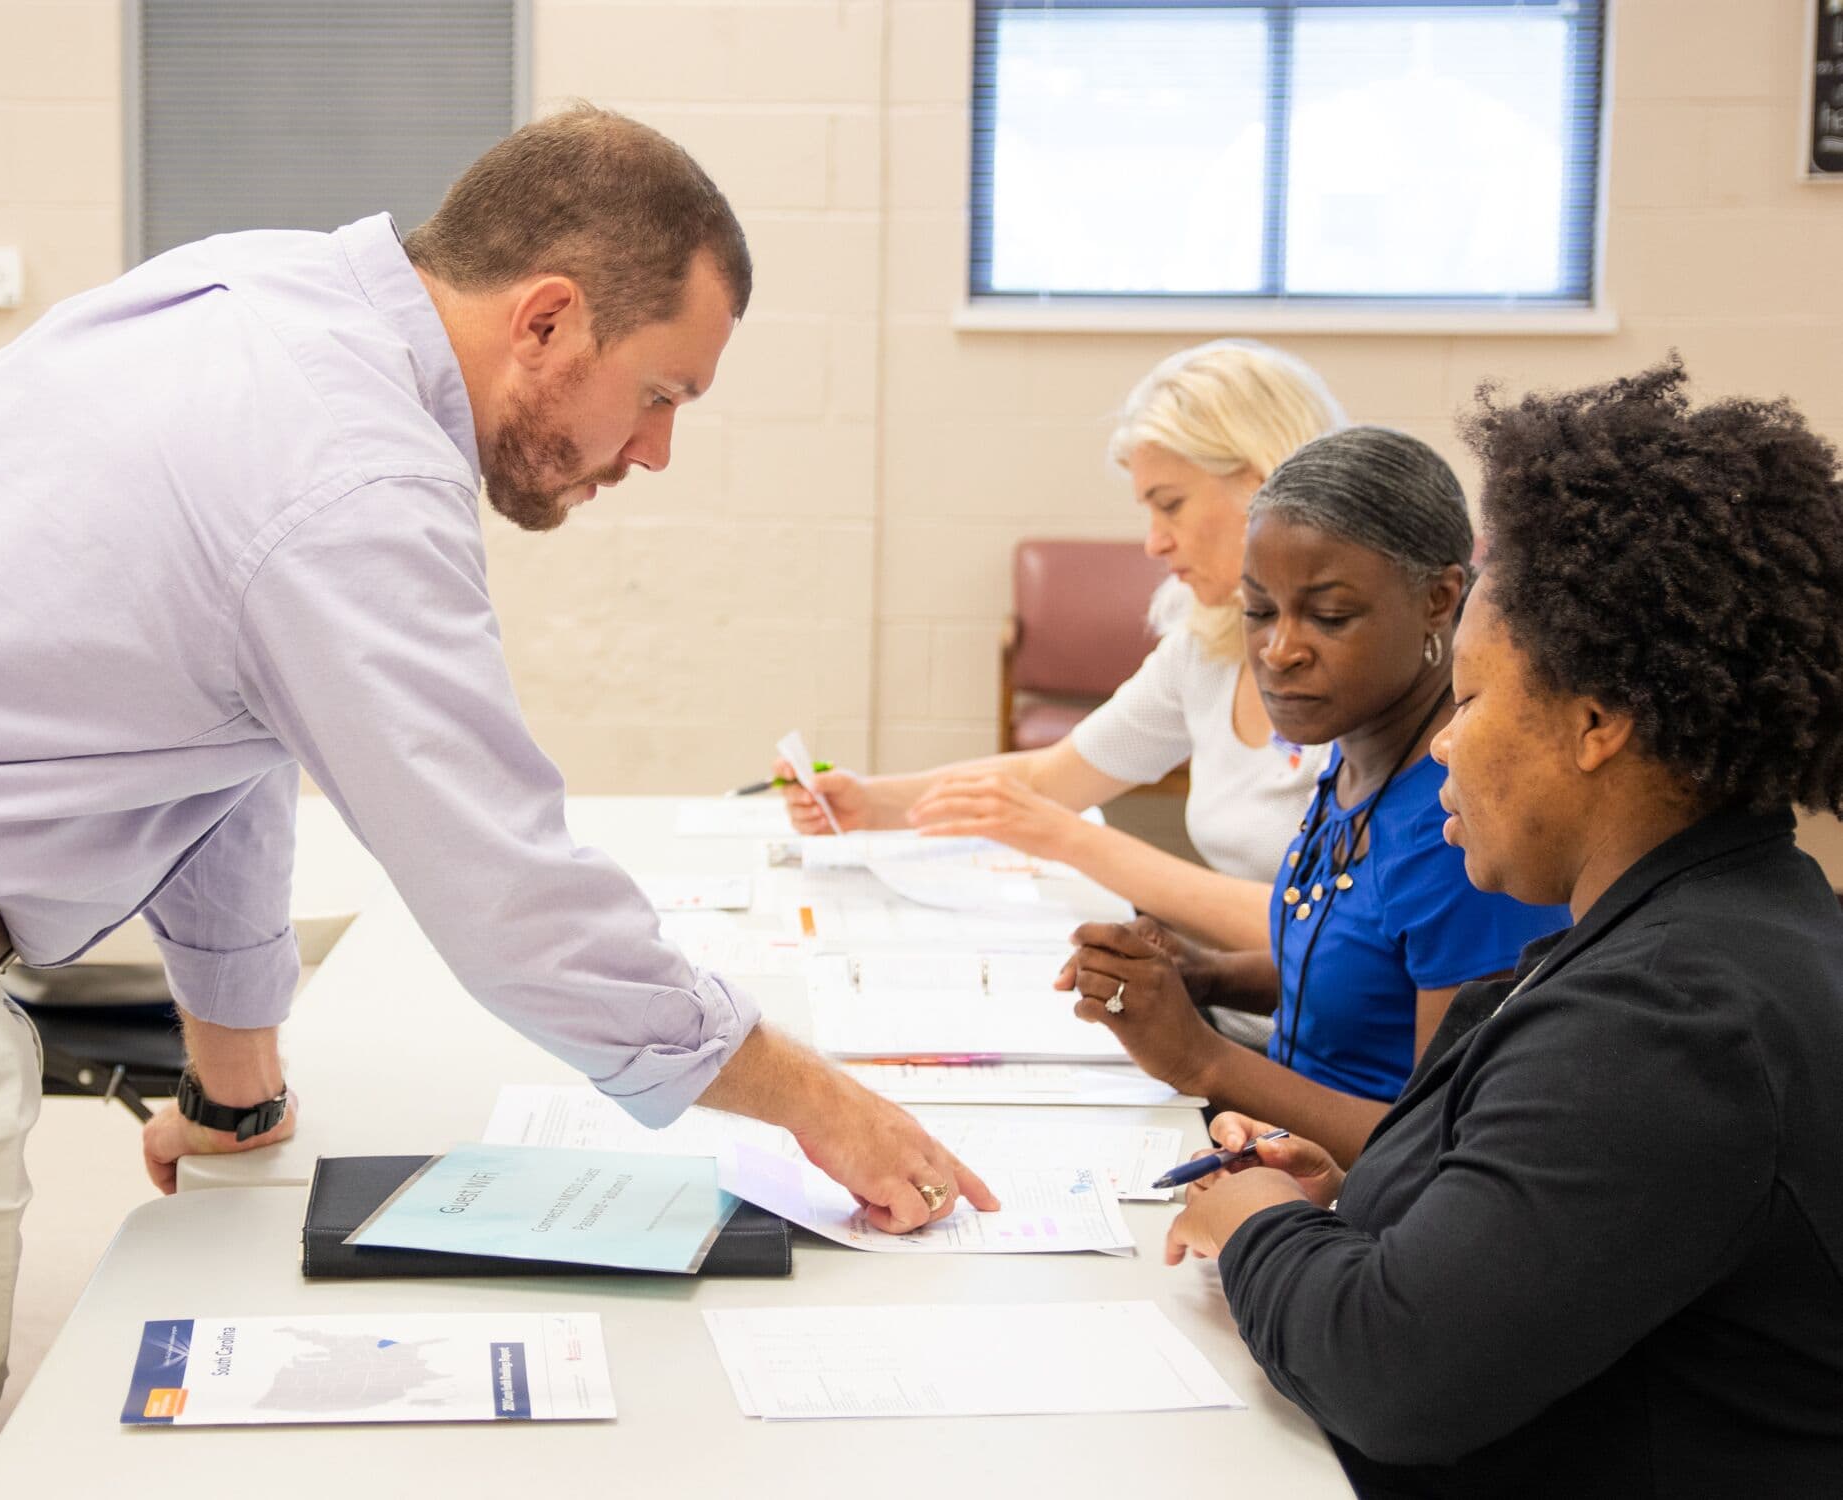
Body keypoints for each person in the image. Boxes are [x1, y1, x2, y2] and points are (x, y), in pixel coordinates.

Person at [0, 108, 992, 1500]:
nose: (653, 454)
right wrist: (810, 1100)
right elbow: (506, 894)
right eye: (663, 395)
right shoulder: (355, 462)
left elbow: (225, 742)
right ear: (551, 320)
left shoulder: (266, 292)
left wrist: (235, 1085)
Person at [1164, 360, 1843, 1495]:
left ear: (1597, 723)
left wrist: (1257, 1227)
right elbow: (1569, 1228)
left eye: (1472, 703)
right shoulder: (1706, 925)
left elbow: (1397, 1372)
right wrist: (1347, 1196)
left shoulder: (1673, 1020)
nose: (1444, 743)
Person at [1063, 427, 1568, 1163]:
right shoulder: (1358, 747)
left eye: (1329, 617)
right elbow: (1364, 973)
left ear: (1438, 599)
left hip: (1371, 1214)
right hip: (1284, 1161)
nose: (1280, 650)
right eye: (1259, 611)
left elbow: (1441, 1149)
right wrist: (1197, 972)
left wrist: (1199, 1058)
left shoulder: (1464, 824)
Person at [780, 339, 1342, 953]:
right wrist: (873, 802)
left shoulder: (1364, 672)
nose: (1153, 544)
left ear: (1264, 486)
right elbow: (1053, 776)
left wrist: (1073, 840)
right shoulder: (1205, 647)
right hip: (1254, 997)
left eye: (1171, 506)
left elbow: (1332, 927)